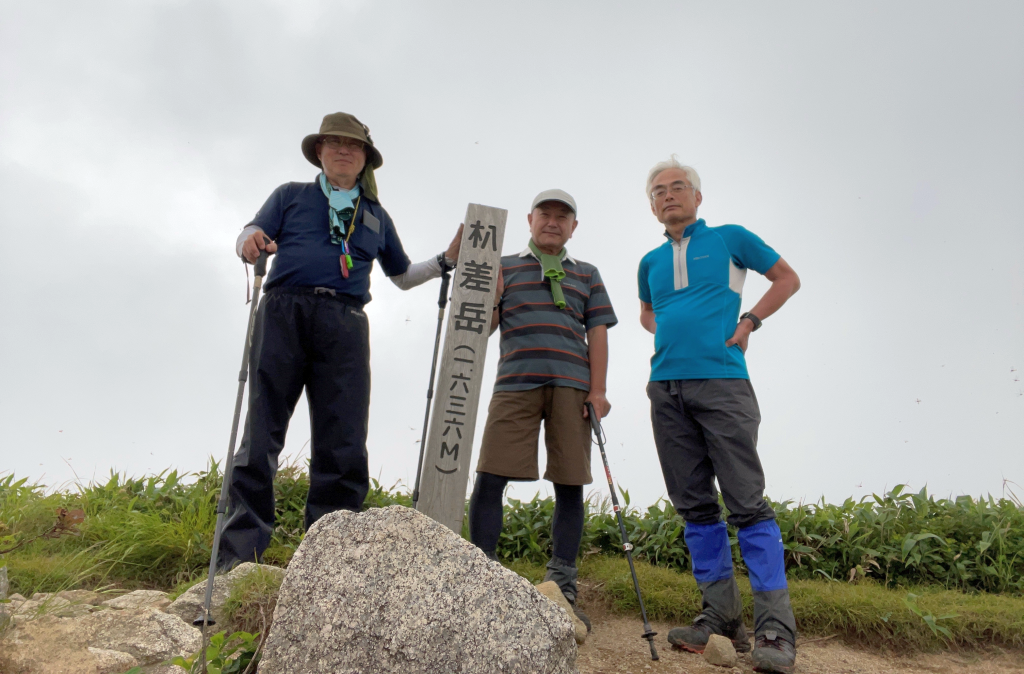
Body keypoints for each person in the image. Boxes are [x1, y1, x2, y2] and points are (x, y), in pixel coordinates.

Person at [219, 112, 461, 570]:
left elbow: (402, 275)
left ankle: (331, 560)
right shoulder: (290, 195)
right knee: (261, 432)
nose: (343, 151)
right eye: (333, 143)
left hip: (347, 321)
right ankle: (237, 558)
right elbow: (250, 231)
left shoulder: (375, 215)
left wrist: (446, 260)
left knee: (344, 439)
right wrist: (249, 242)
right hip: (284, 310)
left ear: (365, 158)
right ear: (320, 151)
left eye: (353, 146)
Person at [637, 156, 801, 673]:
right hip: (665, 389)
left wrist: (750, 319)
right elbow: (648, 311)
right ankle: (721, 616)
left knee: (746, 503)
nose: (668, 195)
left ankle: (774, 628)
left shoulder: (730, 238)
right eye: (658, 190)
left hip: (724, 381)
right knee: (695, 508)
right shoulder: (649, 262)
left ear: (697, 197)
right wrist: (671, 333)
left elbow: (787, 278)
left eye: (678, 187)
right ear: (652, 204)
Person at [467, 189, 617, 630]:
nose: (553, 222)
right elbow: (483, 330)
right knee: (490, 474)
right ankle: (481, 572)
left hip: (573, 385)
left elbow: (599, 332)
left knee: (570, 481)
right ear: (530, 220)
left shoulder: (587, 274)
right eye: (545, 215)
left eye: (562, 217)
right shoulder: (504, 266)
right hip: (515, 383)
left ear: (574, 227)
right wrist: (492, 296)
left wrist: (599, 389)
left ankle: (562, 582)